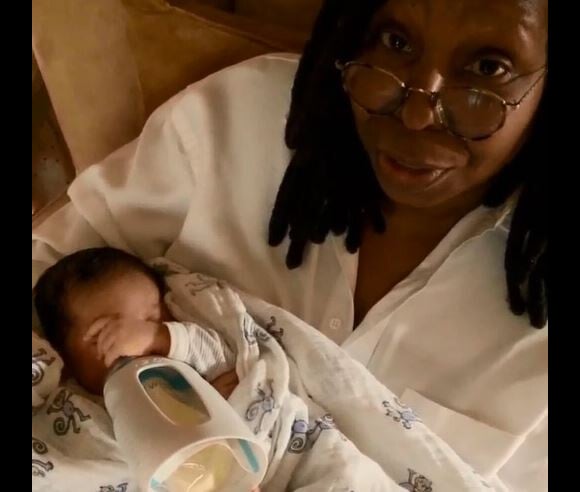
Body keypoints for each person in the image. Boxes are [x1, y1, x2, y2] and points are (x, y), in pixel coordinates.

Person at [32, 0, 548, 490]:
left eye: (488, 68)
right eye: (395, 41)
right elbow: (50, 277)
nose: (417, 114)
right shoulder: (235, 122)